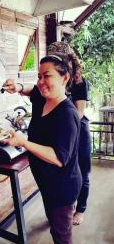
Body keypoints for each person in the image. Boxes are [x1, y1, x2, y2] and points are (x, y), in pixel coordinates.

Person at [2, 54, 82, 244]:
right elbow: (31, 90)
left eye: (47, 76)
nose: (41, 81)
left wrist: (23, 142)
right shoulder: (43, 97)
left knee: (62, 230)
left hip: (62, 186)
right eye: (39, 76)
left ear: (65, 78)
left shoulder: (66, 114)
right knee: (57, 224)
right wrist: (17, 86)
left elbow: (59, 157)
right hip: (49, 183)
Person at [47, 41, 91, 225]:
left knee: (82, 172)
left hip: (79, 132)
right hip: (62, 132)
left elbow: (78, 112)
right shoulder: (54, 78)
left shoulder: (79, 82)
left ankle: (80, 209)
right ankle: (68, 206)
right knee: (66, 172)